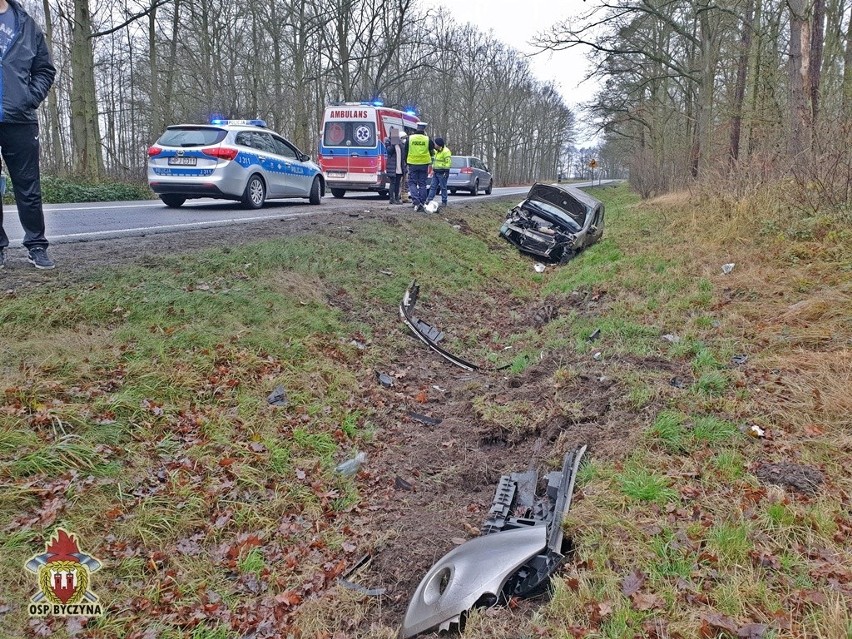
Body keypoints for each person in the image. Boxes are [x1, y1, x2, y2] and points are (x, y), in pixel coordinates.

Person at [0, 0, 56, 270]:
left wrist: (29, 98)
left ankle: (36, 245)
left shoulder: (26, 24)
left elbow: (44, 69)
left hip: (20, 119)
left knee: (28, 187)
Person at [404, 121, 434, 212]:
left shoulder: (410, 138)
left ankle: (416, 202)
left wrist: (406, 161)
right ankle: (422, 202)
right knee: (422, 184)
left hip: (412, 163)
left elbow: (406, 150)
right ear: (424, 129)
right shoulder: (427, 139)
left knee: (412, 183)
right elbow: (432, 151)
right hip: (424, 164)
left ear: (416, 128)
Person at [425, 137, 451, 210]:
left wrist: (446, 171)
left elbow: (447, 162)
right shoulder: (436, 151)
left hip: (442, 172)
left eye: (435, 144)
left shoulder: (446, 151)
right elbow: (434, 160)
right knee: (433, 186)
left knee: (443, 187)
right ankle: (429, 200)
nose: (434, 145)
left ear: (439, 145)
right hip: (436, 171)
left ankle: (444, 201)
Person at [385, 128, 404, 205]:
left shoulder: (400, 144)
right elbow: (389, 151)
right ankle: (391, 199)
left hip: (399, 166)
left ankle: (397, 198)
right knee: (393, 182)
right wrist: (393, 144)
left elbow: (402, 153)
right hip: (392, 166)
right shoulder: (388, 142)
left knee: (397, 183)